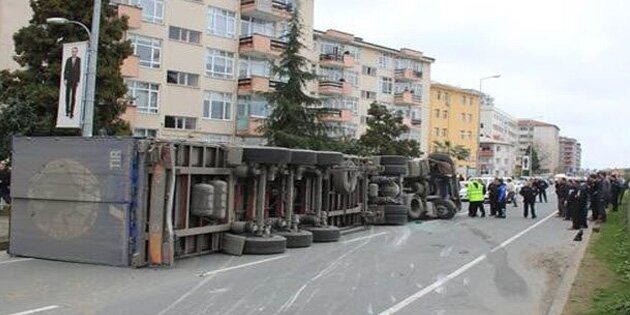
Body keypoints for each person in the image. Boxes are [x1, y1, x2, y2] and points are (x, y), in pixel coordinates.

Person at [64, 46, 82, 119]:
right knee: (67, 95)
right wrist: (65, 79)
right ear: (71, 52)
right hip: (69, 79)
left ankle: (72, 112)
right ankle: (67, 111)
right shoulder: (68, 60)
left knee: (73, 96)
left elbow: (79, 71)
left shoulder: (78, 60)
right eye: (73, 51)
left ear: (77, 52)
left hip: (75, 80)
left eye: (75, 51)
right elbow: (65, 70)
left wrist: (78, 80)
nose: (74, 53)